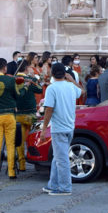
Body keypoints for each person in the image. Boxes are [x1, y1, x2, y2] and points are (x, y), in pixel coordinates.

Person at [41, 63, 82, 196]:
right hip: (70, 126)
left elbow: (49, 109)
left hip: (58, 128)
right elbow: (82, 91)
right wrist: (72, 80)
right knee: (58, 157)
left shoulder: (51, 89)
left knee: (61, 158)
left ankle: (65, 187)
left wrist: (43, 129)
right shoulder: (70, 86)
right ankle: (52, 184)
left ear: (52, 74)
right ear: (65, 73)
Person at [0, 58, 24, 180]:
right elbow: (17, 96)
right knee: (10, 145)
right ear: (5, 67)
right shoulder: (10, 80)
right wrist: (21, 86)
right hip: (9, 115)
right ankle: (11, 172)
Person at [15, 60, 44, 171]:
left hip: (18, 114)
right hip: (31, 114)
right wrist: (34, 79)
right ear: (26, 68)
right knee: (34, 137)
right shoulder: (31, 79)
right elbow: (40, 89)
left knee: (20, 141)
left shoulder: (14, 80)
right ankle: (37, 159)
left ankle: (22, 165)